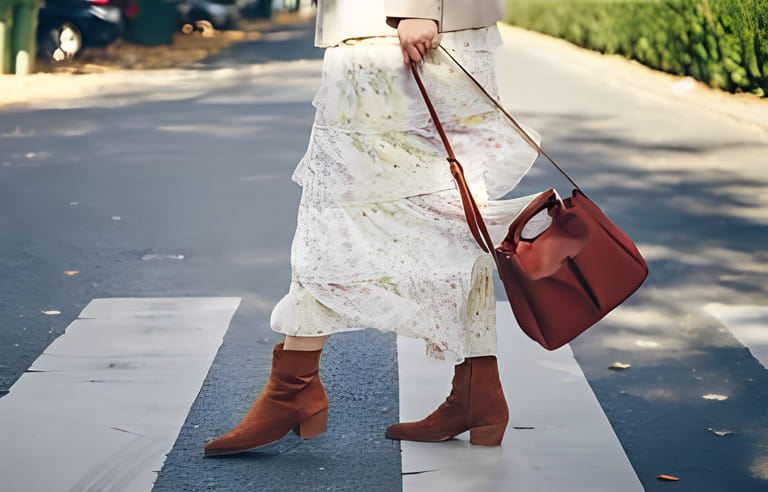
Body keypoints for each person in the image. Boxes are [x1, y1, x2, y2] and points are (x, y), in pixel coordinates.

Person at [203, 0, 541, 457]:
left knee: (332, 213)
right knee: (454, 217)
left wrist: (414, 9)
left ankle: (292, 389)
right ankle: (478, 394)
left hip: (390, 31)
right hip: (431, 32)